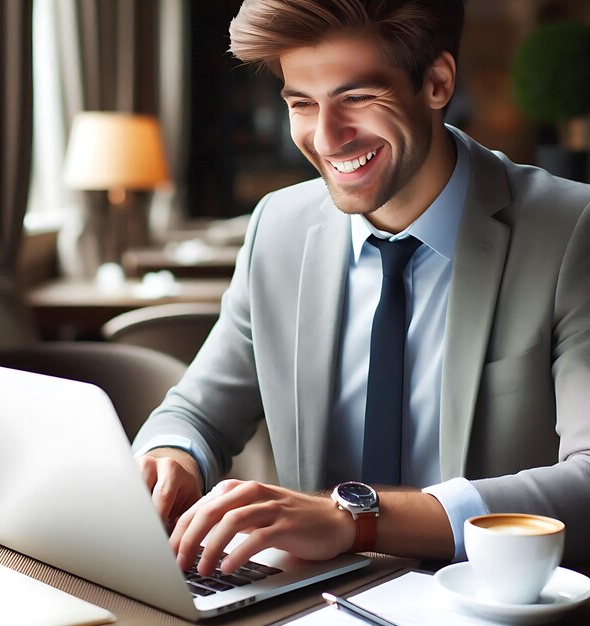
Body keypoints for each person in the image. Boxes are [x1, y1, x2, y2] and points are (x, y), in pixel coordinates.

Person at [132, 0, 590, 578]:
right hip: (309, 605)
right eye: (301, 103)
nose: (327, 137)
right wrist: (171, 456)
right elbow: (196, 412)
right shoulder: (278, 228)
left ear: (437, 83)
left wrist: (355, 519)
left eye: (356, 98)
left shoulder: (573, 230)